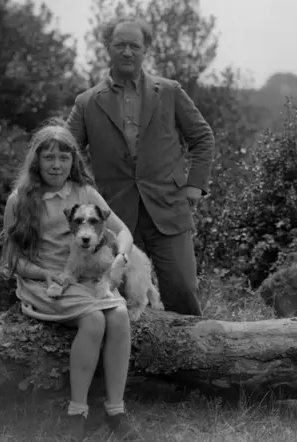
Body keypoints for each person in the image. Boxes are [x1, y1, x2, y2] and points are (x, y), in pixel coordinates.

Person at [0, 120, 141, 441]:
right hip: (46, 281)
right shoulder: (18, 201)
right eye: (48, 157)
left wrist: (120, 260)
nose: (56, 165)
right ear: (36, 161)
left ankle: (115, 410)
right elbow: (14, 259)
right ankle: (77, 412)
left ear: (74, 161)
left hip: (86, 277)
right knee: (93, 320)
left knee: (118, 317)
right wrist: (43, 273)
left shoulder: (85, 193)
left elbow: (123, 232)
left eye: (64, 158)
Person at [66, 16, 215, 317]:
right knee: (118, 296)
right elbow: (65, 150)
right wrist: (80, 195)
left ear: (146, 50)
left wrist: (195, 184)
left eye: (134, 45)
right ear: (107, 47)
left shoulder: (170, 91)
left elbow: (202, 137)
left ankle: (190, 359)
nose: (127, 52)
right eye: (120, 45)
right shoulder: (87, 102)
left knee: (182, 292)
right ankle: (129, 360)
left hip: (168, 208)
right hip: (117, 216)